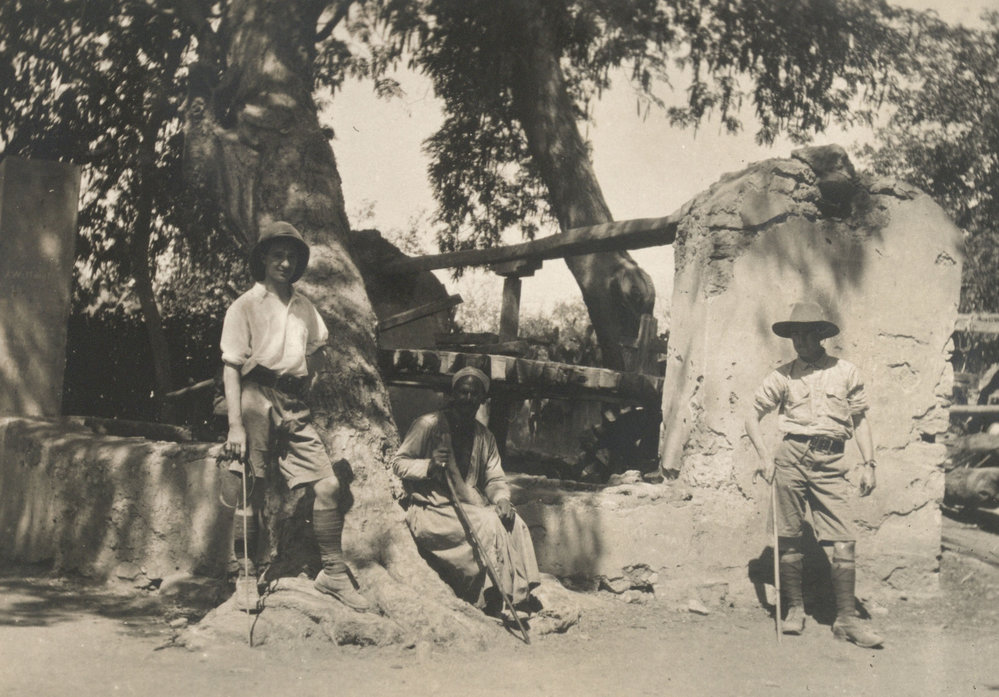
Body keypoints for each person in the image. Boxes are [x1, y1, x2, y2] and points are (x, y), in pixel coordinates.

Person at [219, 220, 370, 612]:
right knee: (250, 488)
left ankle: (333, 575)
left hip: (294, 403)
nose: (284, 263)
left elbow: (319, 350)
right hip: (255, 397)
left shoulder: (306, 309)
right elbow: (232, 366)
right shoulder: (245, 306)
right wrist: (235, 424)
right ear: (264, 259)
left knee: (328, 485)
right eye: (277, 255)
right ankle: (247, 577)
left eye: (291, 257)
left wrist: (306, 386)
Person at [744, 301, 883, 648]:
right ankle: (794, 609)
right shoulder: (783, 376)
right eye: (794, 334)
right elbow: (752, 415)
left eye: (807, 333)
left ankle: (847, 620)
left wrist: (869, 463)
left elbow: (860, 419)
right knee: (789, 537)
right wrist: (764, 456)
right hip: (791, 457)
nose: (800, 340)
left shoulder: (846, 372)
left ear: (821, 336)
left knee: (844, 542)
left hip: (831, 461)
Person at [392, 367, 541, 614]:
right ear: (454, 394)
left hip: (468, 507)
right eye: (463, 392)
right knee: (489, 523)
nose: (468, 399)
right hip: (432, 509)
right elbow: (398, 464)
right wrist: (428, 466)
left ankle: (518, 596)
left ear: (483, 399)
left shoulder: (485, 436)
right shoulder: (428, 425)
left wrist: (502, 499)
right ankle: (491, 598)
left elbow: (494, 478)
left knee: (514, 522)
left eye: (475, 394)